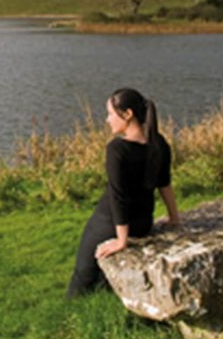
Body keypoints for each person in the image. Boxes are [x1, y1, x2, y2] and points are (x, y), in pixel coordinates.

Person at [66, 87, 180, 298]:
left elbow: (118, 196)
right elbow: (165, 183)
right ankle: (103, 299)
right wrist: (174, 217)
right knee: (101, 278)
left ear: (127, 114)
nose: (108, 120)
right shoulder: (159, 142)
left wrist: (121, 240)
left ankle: (71, 309)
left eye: (110, 114)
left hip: (109, 223)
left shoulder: (118, 149)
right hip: (143, 222)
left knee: (83, 274)